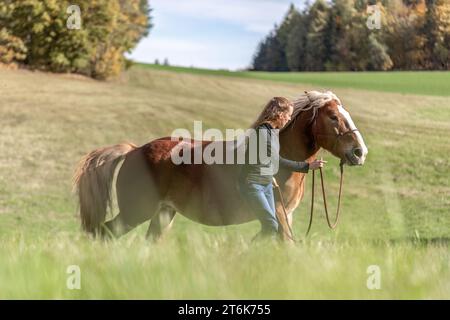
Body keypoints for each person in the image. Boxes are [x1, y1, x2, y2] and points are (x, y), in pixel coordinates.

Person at [239, 97, 326, 241]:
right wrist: (307, 166)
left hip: (265, 184)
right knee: (271, 226)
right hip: (253, 185)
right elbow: (276, 161)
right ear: (279, 114)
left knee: (272, 226)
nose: (289, 118)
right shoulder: (262, 133)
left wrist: (269, 175)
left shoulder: (272, 133)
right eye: (288, 115)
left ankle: (249, 255)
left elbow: (263, 160)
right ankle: (243, 256)